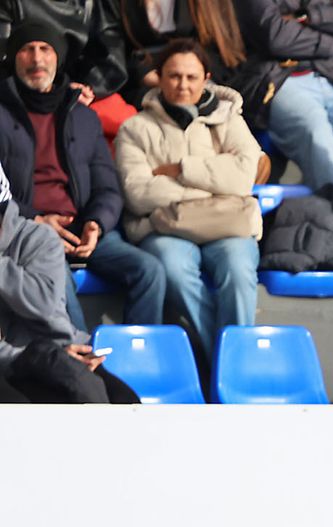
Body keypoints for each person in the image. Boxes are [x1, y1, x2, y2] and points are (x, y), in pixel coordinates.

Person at [0, 19, 165, 331]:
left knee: (150, 271)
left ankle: (136, 359)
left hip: (83, 229)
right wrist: (35, 220)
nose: (37, 58)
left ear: (58, 58)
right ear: (13, 57)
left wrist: (96, 223)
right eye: (27, 50)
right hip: (29, 232)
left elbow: (107, 186)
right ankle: (81, 362)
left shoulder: (84, 116)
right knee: (56, 282)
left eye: (45, 49)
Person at [115, 39, 262, 374]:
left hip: (227, 227)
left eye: (191, 77)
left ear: (206, 78)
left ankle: (230, 370)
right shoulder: (135, 128)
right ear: (160, 77)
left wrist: (182, 170)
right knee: (172, 268)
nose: (183, 85)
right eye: (174, 76)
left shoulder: (230, 120)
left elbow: (242, 179)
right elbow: (138, 192)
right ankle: (228, 370)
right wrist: (212, 186)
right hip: (164, 229)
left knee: (239, 271)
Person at [0, 160, 138, 403]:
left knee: (126, 401)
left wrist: (62, 353)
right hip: (18, 360)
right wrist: (45, 357)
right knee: (72, 393)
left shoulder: (38, 239)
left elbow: (42, 305)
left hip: (62, 349)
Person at [233, 0, 333, 192]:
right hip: (279, 81)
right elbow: (276, 37)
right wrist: (330, 42)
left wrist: (309, 17)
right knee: (317, 134)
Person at [0, 0, 135, 137]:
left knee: (125, 125)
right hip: (23, 89)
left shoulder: (95, 4)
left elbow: (111, 56)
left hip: (83, 88)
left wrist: (84, 89)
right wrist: (55, 90)